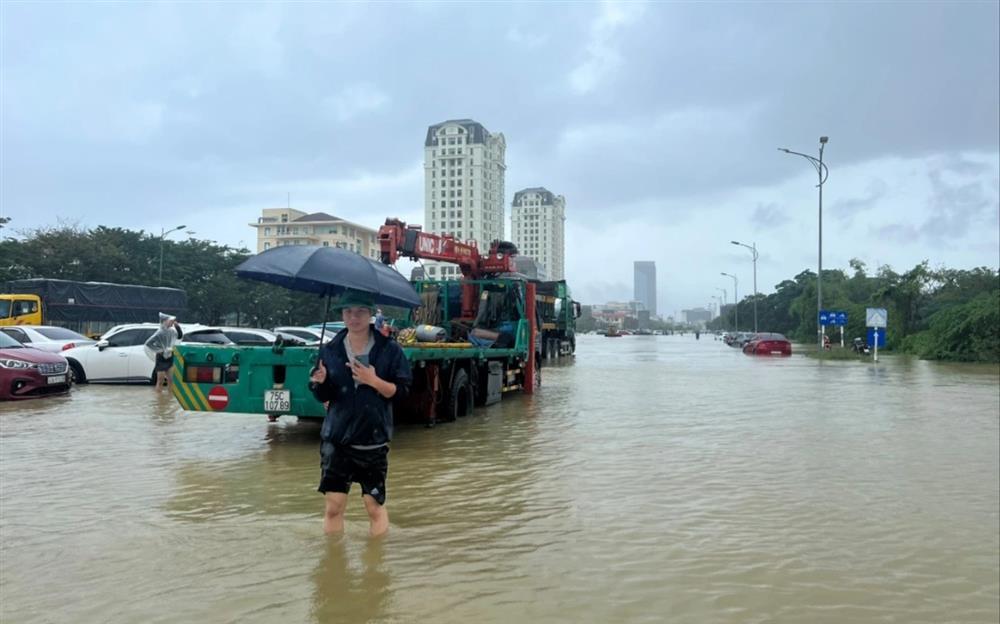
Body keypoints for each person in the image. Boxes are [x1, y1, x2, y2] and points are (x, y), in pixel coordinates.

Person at [309, 291, 412, 537]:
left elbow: (403, 392)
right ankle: (333, 565)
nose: (354, 317)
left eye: (360, 312)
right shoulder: (330, 350)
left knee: (373, 506)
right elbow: (323, 396)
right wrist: (319, 383)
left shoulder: (389, 351)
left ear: (370, 314)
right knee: (334, 506)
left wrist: (374, 380)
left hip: (372, 439)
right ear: (342, 315)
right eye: (348, 312)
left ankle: (375, 567)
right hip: (337, 438)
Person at [145, 313, 183, 393]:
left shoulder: (172, 331)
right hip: (161, 358)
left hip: (170, 356)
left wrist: (178, 327)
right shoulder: (159, 332)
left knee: (171, 380)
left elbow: (179, 336)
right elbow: (148, 343)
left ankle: (169, 399)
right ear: (165, 321)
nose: (172, 323)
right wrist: (160, 350)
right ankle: (159, 400)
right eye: (171, 321)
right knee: (160, 381)